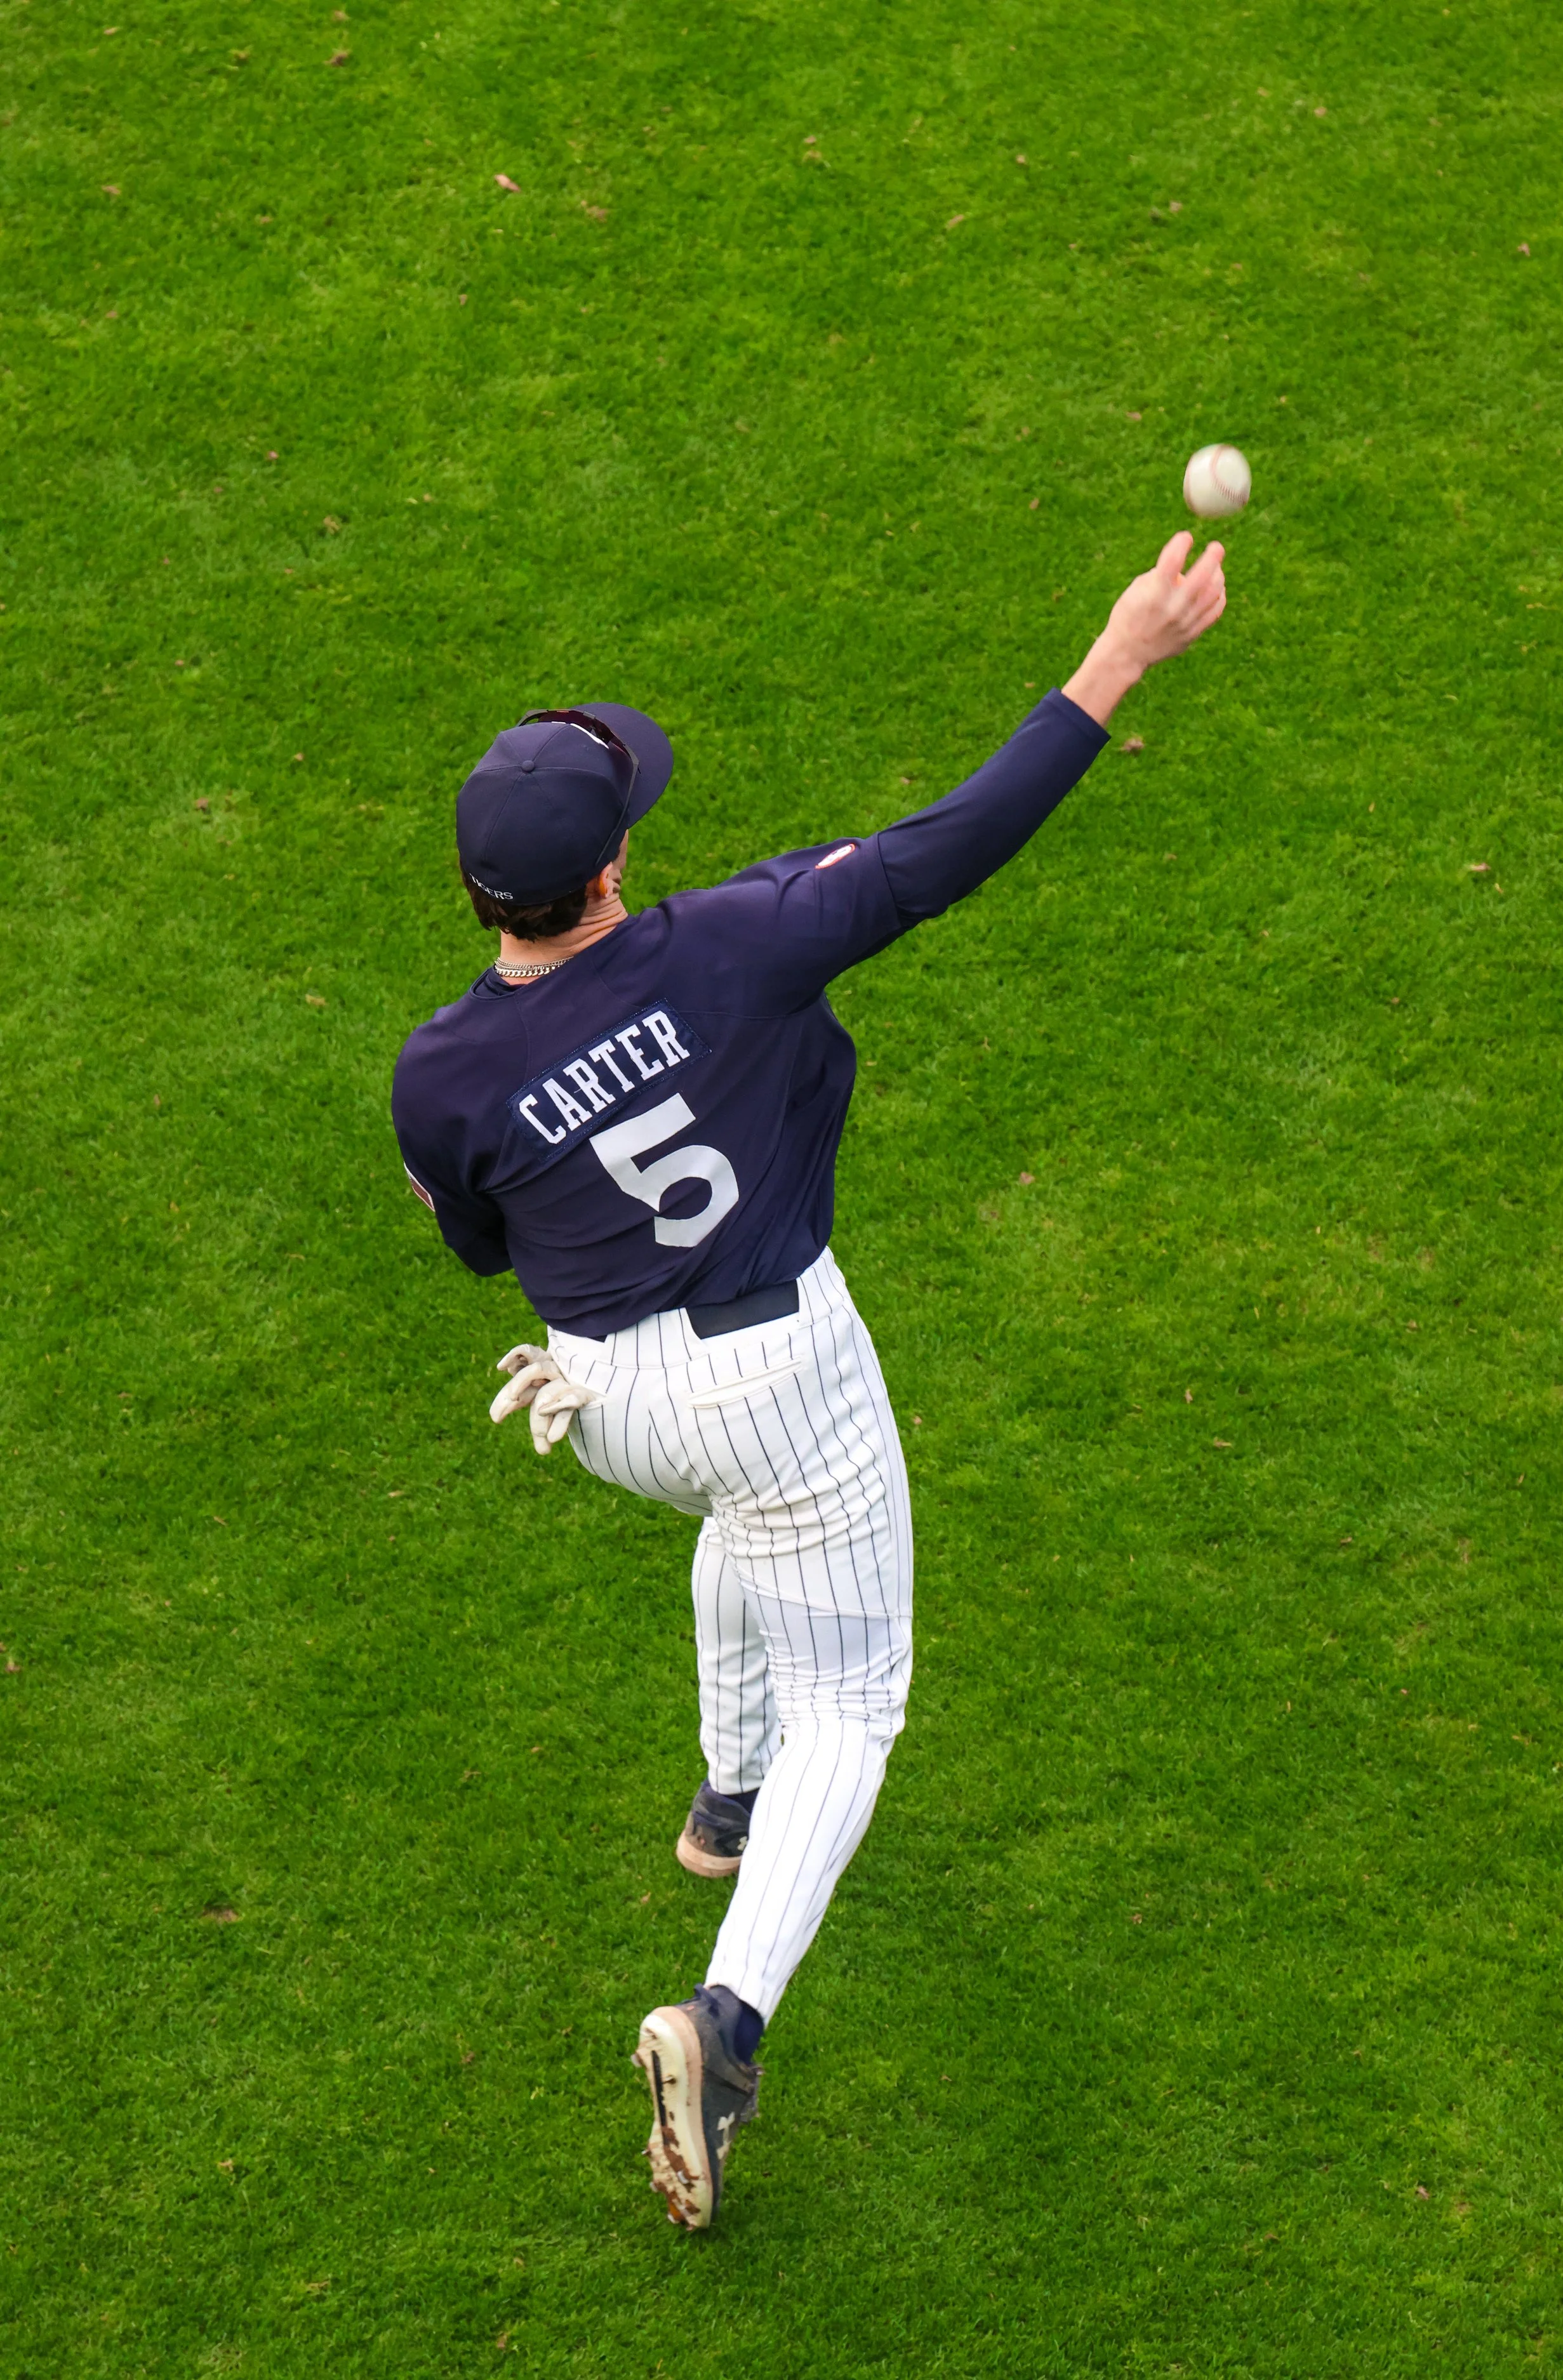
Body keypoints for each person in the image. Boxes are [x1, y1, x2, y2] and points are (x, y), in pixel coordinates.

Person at [391, 529, 1227, 2228]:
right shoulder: (735, 943)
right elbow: (943, 850)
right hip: (780, 1381)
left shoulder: (436, 1073)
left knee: (742, 1525)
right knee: (861, 1696)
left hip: (598, 1402)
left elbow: (481, 1247)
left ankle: (726, 1786)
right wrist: (1116, 659)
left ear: (480, 892)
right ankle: (726, 2019)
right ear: (609, 870)